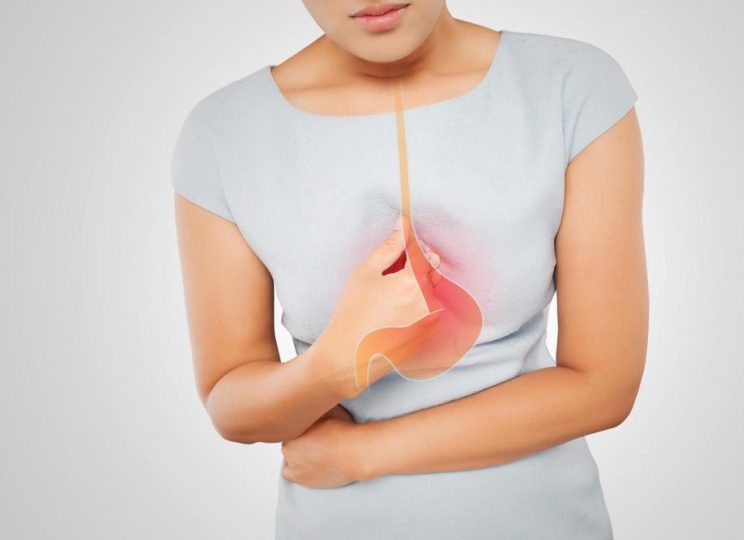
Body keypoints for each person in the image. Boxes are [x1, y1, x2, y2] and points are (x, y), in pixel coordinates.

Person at [171, 1, 648, 538]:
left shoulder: (569, 86)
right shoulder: (225, 133)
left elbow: (604, 386)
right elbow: (231, 405)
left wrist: (363, 453)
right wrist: (334, 365)